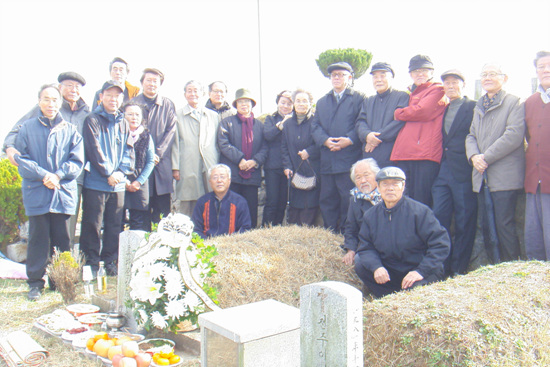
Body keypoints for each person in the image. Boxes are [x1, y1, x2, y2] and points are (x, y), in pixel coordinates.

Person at [3, 71, 90, 247]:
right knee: (41, 230)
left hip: (73, 177)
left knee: (66, 230)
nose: (73, 90)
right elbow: (18, 131)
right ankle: (41, 268)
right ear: (60, 88)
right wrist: (10, 147)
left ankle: (62, 268)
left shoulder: (86, 112)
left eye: (77, 87)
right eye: (69, 85)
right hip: (42, 178)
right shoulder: (46, 107)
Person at [14, 84, 84, 300]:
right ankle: (35, 283)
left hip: (61, 192)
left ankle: (60, 280)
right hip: (37, 191)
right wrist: (44, 174)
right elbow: (20, 158)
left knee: (62, 240)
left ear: (60, 102)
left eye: (55, 100)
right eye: (46, 99)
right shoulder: (27, 128)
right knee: (37, 239)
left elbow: (77, 161)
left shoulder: (70, 130)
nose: (51, 104)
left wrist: (58, 175)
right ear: (39, 102)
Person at [354, 167, 450, 298]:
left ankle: (405, 298)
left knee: (415, 292)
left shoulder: (420, 212)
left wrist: (421, 271)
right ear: (378, 187)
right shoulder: (370, 216)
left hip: (418, 270)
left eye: (395, 184)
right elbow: (365, 247)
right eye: (385, 184)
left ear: (403, 186)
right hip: (390, 272)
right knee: (360, 263)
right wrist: (377, 267)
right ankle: (387, 298)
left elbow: (441, 244)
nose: (390, 188)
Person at [465, 63, 525, 263]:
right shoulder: (479, 104)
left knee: (504, 224)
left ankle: (510, 265)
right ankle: (493, 266)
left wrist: (485, 157)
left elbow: (514, 135)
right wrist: (474, 157)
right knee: (487, 225)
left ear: (504, 78)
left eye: (492, 74)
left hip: (503, 176)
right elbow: (471, 135)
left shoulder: (514, 102)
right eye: (484, 75)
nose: (487, 78)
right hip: (482, 176)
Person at [80, 81, 134, 276]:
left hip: (117, 185)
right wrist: (108, 173)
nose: (114, 99)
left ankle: (110, 262)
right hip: (96, 183)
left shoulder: (124, 122)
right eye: (109, 95)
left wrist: (120, 173)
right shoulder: (92, 119)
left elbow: (129, 151)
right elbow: (94, 150)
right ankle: (91, 264)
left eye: (118, 96)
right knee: (92, 225)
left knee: (114, 225)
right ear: (101, 96)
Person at [431, 70, 477, 276]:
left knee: (464, 220)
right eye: (446, 83)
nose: (450, 86)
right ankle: (443, 266)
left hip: (464, 170)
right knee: (439, 216)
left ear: (463, 85)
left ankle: (458, 269)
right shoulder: (442, 108)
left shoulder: (472, 107)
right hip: (443, 169)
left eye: (455, 82)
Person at [311, 61, 365, 232]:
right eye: (334, 75)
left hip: (348, 160)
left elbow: (362, 123)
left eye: (341, 74)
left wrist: (349, 139)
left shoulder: (359, 98)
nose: (336, 78)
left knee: (348, 200)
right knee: (327, 200)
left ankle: (347, 236)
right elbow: (315, 126)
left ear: (349, 78)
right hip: (327, 160)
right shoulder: (322, 102)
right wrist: (325, 141)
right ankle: (330, 235)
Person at [390, 55, 448, 206]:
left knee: (421, 202)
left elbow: (423, 111)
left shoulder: (438, 89)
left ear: (431, 72)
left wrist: (399, 113)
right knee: (403, 200)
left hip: (424, 155)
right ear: (410, 74)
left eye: (424, 70)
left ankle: (421, 230)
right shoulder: (410, 93)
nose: (420, 74)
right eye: (415, 71)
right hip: (405, 153)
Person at [131, 68, 177, 225]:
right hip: (139, 165)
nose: (151, 84)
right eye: (148, 80)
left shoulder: (168, 104)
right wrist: (146, 155)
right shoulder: (133, 104)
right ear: (142, 83)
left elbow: (171, 131)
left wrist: (157, 153)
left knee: (163, 215)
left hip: (161, 165)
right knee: (140, 213)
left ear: (160, 84)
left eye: (155, 81)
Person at [217, 88, 267, 228]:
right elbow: (223, 144)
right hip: (233, 173)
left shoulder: (259, 126)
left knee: (251, 208)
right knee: (230, 207)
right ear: (236, 105)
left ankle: (249, 235)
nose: (244, 104)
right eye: (240, 102)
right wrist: (240, 159)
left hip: (252, 175)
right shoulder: (227, 123)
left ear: (252, 104)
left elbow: (265, 147)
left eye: (247, 101)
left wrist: (254, 161)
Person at [172, 80, 220, 216]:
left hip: (210, 164)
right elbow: (175, 143)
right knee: (188, 204)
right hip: (187, 164)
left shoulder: (213, 116)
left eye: (196, 90)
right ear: (185, 94)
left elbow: (218, 142)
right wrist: (175, 167)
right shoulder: (178, 115)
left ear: (203, 93)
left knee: (212, 199)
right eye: (189, 91)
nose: (193, 94)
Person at [356, 62, 409, 168]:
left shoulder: (402, 97)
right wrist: (367, 135)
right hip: (369, 154)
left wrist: (375, 139)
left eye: (382, 75)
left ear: (392, 77)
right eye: (375, 77)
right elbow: (360, 122)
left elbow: (399, 122)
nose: (378, 80)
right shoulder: (368, 101)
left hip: (391, 154)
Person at [281, 89, 320, 226]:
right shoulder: (287, 124)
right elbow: (284, 148)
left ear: (310, 104)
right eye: (298, 101)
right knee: (294, 208)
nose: (301, 104)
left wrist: (310, 151)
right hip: (294, 171)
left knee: (309, 206)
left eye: (305, 101)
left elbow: (321, 143)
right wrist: (287, 167)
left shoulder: (316, 121)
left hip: (312, 170)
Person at [524, 51, 550, 260]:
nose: (546, 70)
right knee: (534, 242)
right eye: (541, 66)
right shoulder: (530, 102)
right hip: (534, 179)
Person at [191, 164, 251, 238]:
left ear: (229, 181)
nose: (219, 180)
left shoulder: (240, 202)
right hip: (207, 245)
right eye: (215, 177)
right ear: (210, 182)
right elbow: (196, 228)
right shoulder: (202, 202)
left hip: (231, 245)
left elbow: (245, 228)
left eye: (222, 177)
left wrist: (230, 242)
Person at [342, 158, 381, 266]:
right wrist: (351, 250)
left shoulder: (388, 195)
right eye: (358, 177)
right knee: (360, 261)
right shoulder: (355, 199)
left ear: (376, 175)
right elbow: (350, 228)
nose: (363, 181)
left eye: (366, 175)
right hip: (368, 247)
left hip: (390, 245)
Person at [263, 90, 293, 226]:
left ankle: (277, 229)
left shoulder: (295, 120)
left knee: (282, 202)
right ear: (277, 103)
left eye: (289, 104)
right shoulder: (270, 119)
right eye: (283, 103)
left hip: (288, 166)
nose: (285, 106)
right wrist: (281, 125)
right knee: (272, 201)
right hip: (273, 166)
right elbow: (268, 135)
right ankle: (266, 229)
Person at [123, 102, 155, 231]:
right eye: (130, 114)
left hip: (140, 181)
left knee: (139, 221)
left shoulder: (146, 136)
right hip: (121, 180)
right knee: (117, 219)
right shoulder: (118, 133)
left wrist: (138, 182)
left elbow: (150, 161)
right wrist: (124, 181)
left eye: (137, 114)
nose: (133, 117)